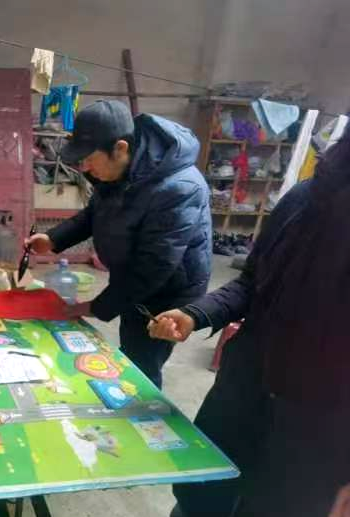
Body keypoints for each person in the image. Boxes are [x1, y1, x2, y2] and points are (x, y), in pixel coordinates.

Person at [149, 130, 350, 517]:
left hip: (316, 435)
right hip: (242, 393)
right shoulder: (306, 199)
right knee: (199, 498)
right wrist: (196, 313)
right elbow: (252, 282)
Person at [25, 100, 211, 387]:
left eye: (89, 158)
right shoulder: (119, 170)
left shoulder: (179, 187)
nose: (84, 167)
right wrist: (52, 239)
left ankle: (145, 411)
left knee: (142, 361)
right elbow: (94, 214)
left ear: (120, 148)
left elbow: (154, 267)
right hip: (132, 274)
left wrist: (94, 307)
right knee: (129, 346)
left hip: (167, 291)